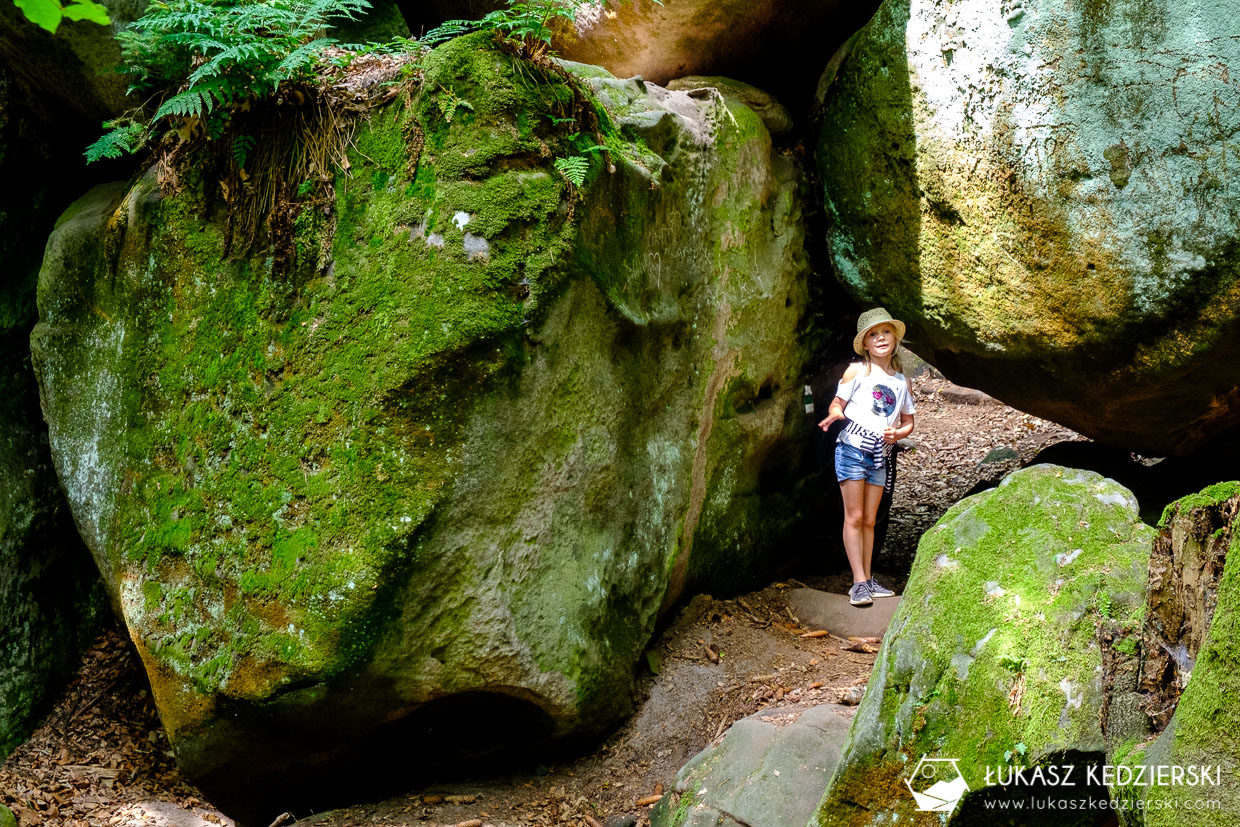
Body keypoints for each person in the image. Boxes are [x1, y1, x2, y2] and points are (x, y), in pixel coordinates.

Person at [818, 308, 916, 607]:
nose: (880, 338)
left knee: (871, 520)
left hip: (880, 454)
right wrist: (835, 415)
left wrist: (898, 435)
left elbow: (909, 421)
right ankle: (858, 582)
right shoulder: (857, 372)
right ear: (866, 344)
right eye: (873, 335)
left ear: (894, 339)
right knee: (855, 516)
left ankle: (868, 578)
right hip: (852, 448)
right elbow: (838, 403)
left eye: (885, 332)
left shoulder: (901, 381)